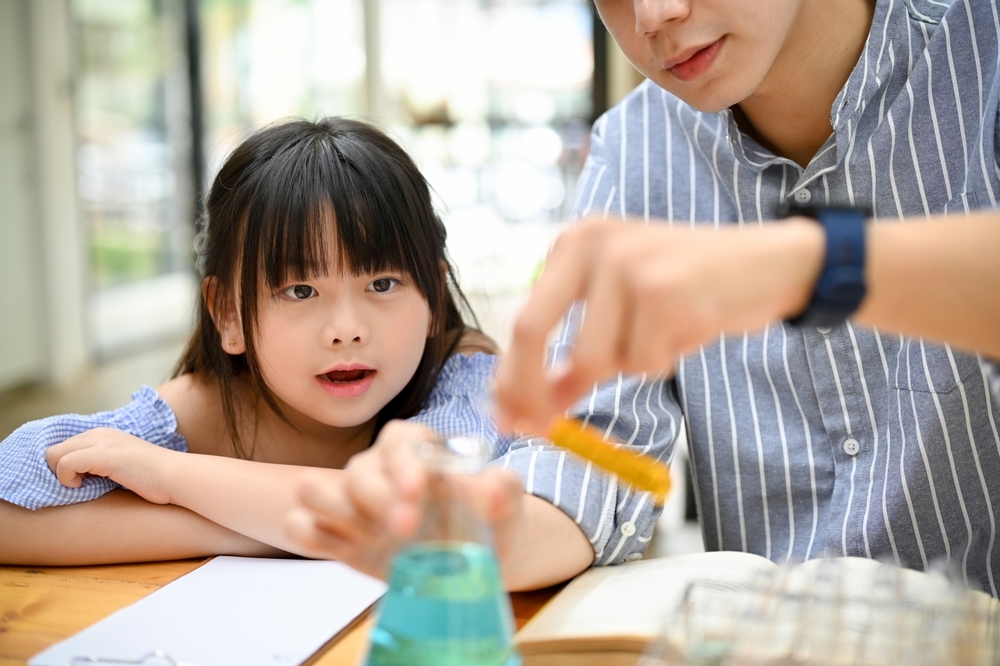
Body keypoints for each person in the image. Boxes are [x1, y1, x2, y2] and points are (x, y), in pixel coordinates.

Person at [494, 0, 1000, 595]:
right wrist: (472, 527)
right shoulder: (636, 149)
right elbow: (593, 451)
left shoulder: (981, 43)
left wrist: (802, 266)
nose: (654, 15)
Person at [0, 117, 588, 591]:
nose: (346, 329)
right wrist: (258, 527)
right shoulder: (194, 412)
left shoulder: (463, 380)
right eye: (300, 290)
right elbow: (10, 509)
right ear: (229, 313)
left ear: (434, 295)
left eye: (382, 284)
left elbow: (421, 519)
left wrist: (177, 478)